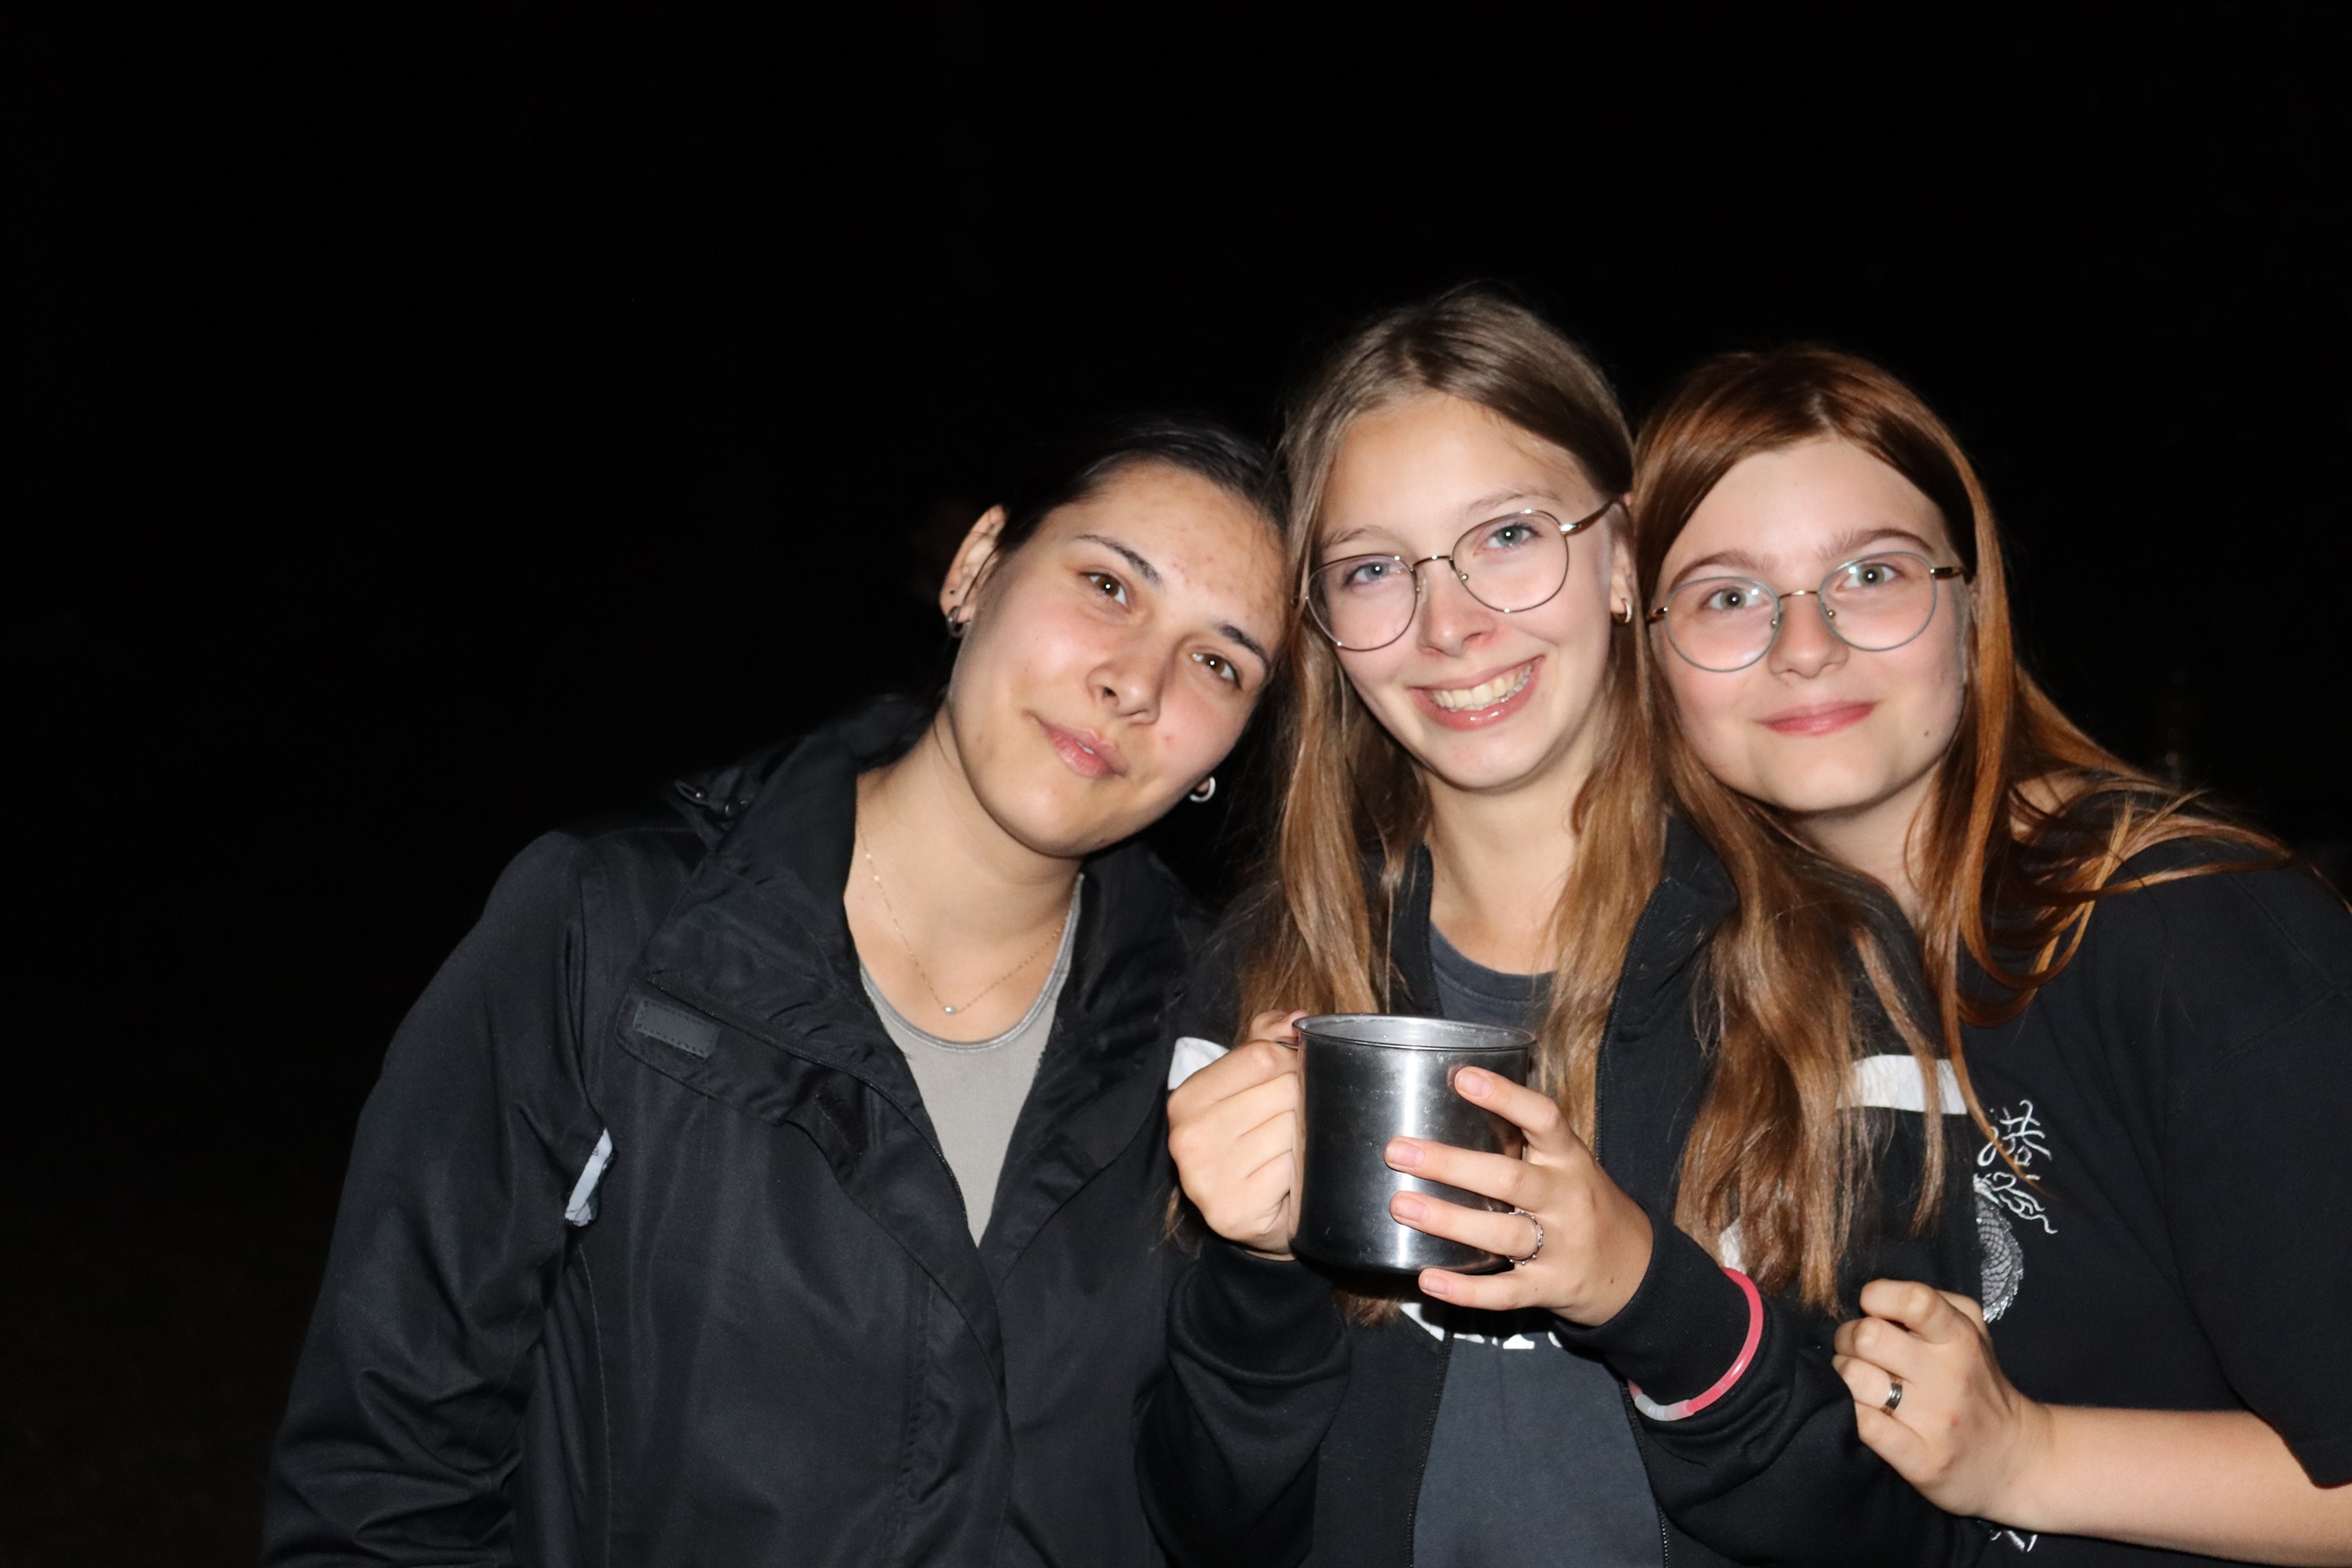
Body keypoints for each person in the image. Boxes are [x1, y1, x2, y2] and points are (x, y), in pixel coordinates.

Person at [261, 416, 1289, 1566]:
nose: (1134, 683)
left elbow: (1227, 1521)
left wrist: (1271, 1278)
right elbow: (384, 1472)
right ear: (975, 567)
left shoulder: (1219, 1037)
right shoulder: (616, 928)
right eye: (1108, 585)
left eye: (1220, 663)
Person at [1138, 287, 1985, 1567]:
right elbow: (1202, 1526)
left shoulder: (1832, 961)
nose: (1449, 625)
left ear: (1625, 557)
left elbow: (1913, 1528)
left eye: (1510, 536)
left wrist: (1653, 1298)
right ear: (1321, 626)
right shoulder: (1265, 973)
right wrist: (1258, 1275)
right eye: (1372, 570)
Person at [1636, 345, 2352, 1565]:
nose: (1804, 644)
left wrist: (2030, 1457)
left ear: (1971, 607)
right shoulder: (1718, 968)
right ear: (1648, 652)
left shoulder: (2190, 934)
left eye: (1871, 574)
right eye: (1728, 595)